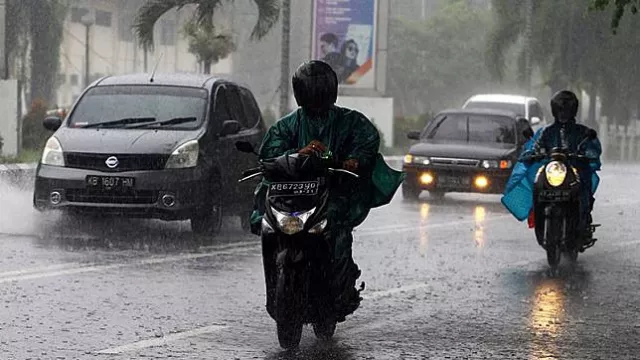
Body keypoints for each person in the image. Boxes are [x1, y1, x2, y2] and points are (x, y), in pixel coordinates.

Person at [249, 60, 405, 321]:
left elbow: (366, 142)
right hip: (291, 195)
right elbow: (270, 154)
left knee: (336, 232)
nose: (316, 97)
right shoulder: (287, 126)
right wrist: (297, 154)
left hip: (331, 193)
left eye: (320, 91)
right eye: (311, 91)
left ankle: (339, 290)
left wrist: (352, 161)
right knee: (266, 219)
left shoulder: (350, 122)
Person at [502, 90, 602, 243]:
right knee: (538, 183)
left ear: (573, 110)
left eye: (567, 110)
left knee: (584, 186)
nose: (563, 113)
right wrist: (532, 153)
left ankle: (584, 217)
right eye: (560, 109)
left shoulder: (582, 132)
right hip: (553, 170)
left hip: (574, 170)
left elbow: (592, 147)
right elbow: (534, 146)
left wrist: (587, 153)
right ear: (554, 110)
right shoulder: (546, 131)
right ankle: (538, 215)